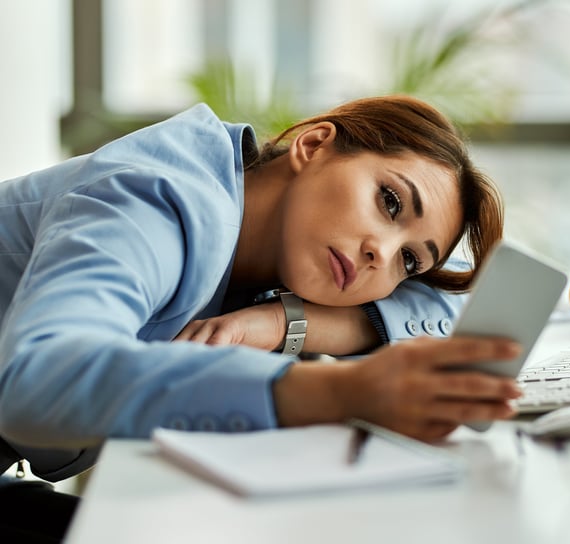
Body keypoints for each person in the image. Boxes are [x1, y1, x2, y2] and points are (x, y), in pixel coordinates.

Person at [0, 95, 522, 539]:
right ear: (314, 145)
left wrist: (283, 322)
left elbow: (451, 294)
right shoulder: (149, 199)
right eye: (389, 202)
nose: (380, 256)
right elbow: (35, 378)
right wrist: (330, 392)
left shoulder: (275, 246)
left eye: (409, 260)